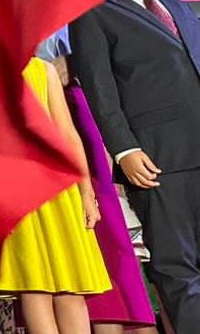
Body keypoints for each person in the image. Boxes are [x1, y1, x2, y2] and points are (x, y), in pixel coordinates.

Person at [69, 0, 200, 332]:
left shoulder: (175, 7)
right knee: (177, 266)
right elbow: (99, 87)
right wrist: (125, 148)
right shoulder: (94, 10)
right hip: (158, 160)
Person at [38, 30, 157, 332]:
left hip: (86, 117)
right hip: (63, 117)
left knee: (112, 254)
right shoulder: (48, 27)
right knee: (94, 250)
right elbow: (56, 71)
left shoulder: (84, 14)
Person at [0, 57, 111, 333]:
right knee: (35, 285)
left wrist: (86, 192)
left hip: (60, 187)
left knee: (72, 283)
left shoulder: (41, 69)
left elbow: (68, 134)